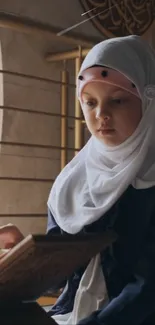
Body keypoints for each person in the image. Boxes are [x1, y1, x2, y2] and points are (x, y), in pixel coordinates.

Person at [1, 35, 155, 325]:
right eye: (90, 102)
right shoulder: (73, 181)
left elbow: (147, 290)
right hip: (72, 315)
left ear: (149, 101)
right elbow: (64, 280)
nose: (101, 115)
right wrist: (26, 258)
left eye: (118, 100)